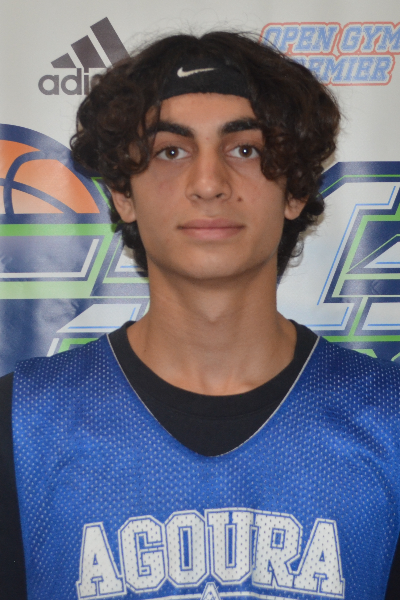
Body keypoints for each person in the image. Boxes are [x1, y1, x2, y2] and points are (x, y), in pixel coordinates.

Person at [0, 31, 399, 600]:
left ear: (294, 191)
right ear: (123, 194)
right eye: (171, 151)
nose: (209, 184)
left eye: (246, 150)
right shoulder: (20, 427)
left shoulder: (390, 421)